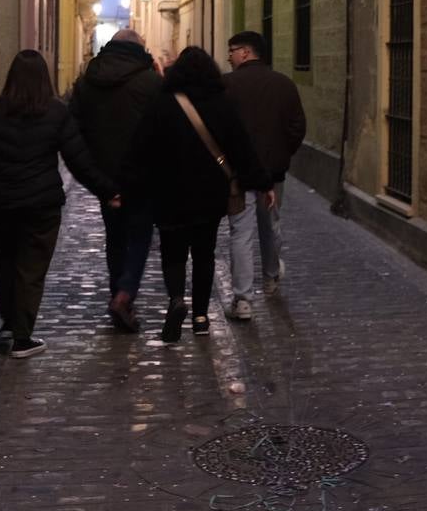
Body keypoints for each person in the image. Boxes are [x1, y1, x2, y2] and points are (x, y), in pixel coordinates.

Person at [0, 50, 119, 359]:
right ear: (44, 77)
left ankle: (9, 324)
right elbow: (78, 160)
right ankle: (23, 338)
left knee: (8, 259)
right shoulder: (55, 112)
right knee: (31, 267)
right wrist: (107, 191)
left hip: (2, 204)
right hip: (41, 204)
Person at [124, 46, 274, 342]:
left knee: (173, 251)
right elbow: (241, 146)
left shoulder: (162, 103)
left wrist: (126, 186)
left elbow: (140, 148)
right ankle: (202, 318)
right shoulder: (222, 102)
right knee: (204, 253)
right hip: (210, 191)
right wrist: (263, 183)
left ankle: (177, 299)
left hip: (169, 191)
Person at [69, 28, 162, 332]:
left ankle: (117, 294)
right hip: (144, 176)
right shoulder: (150, 82)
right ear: (140, 49)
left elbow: (73, 133)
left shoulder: (86, 83)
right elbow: (164, 129)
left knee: (115, 237)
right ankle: (124, 295)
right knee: (139, 237)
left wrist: (96, 178)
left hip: (104, 178)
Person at [222, 30, 306, 319]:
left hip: (238, 174)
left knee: (240, 232)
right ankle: (270, 277)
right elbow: (297, 127)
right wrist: (281, 155)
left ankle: (243, 300)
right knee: (270, 224)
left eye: (232, 50)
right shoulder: (284, 85)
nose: (228, 56)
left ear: (246, 52)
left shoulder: (226, 85)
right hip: (272, 173)